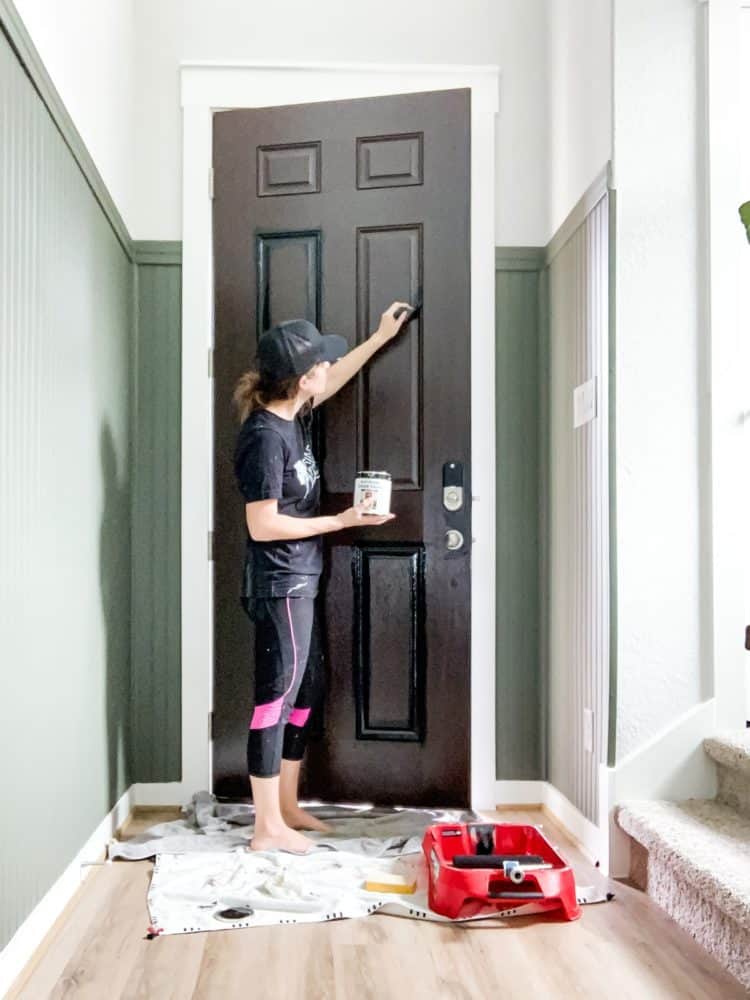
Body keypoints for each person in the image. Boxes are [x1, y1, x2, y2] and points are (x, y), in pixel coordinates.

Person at [233, 302, 412, 853]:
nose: (325, 372)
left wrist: (380, 337)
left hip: (303, 577)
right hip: (280, 581)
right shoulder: (265, 437)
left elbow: (337, 378)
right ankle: (266, 829)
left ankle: (287, 807)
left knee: (305, 690)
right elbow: (262, 526)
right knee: (276, 698)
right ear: (300, 377)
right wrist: (342, 521)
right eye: (319, 365)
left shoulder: (293, 410)